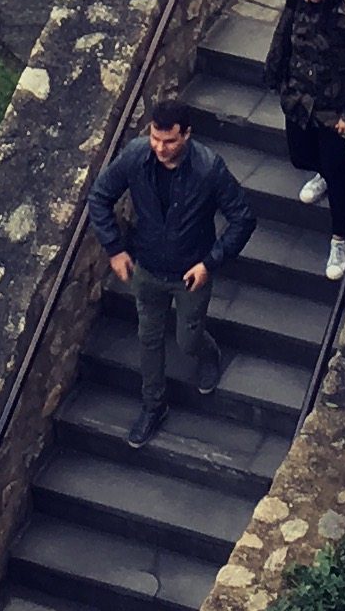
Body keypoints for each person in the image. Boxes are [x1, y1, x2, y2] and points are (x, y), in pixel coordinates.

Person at [87, 97, 257, 446]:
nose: (161, 148)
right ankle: (153, 405)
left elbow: (243, 218)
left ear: (187, 135)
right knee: (148, 338)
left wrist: (210, 263)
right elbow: (99, 197)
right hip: (147, 268)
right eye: (155, 138)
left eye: (169, 141)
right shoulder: (136, 156)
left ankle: (208, 352)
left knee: (187, 338)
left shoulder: (209, 169)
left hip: (190, 272)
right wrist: (115, 249)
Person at [265, 0, 345, 283]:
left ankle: (341, 237)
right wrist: (276, 75)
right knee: (300, 157)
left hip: (334, 111)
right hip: (299, 100)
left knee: (339, 176)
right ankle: (323, 173)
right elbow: (283, 33)